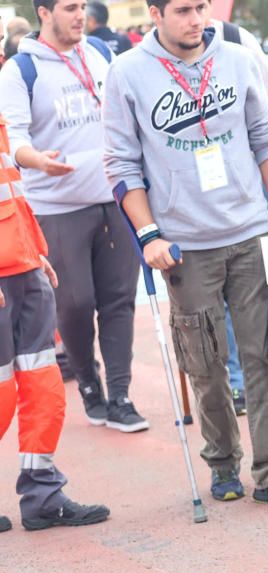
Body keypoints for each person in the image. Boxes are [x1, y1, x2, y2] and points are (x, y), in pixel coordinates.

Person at [103, 0, 268, 507]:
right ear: (154, 13)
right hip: (184, 246)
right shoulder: (127, 74)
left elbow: (267, 138)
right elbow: (120, 163)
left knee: (264, 355)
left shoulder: (236, 55)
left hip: (249, 231)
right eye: (182, 10)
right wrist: (149, 234)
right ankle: (222, 461)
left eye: (201, 6)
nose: (196, 19)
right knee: (204, 363)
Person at [0, 0, 148, 433]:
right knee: (77, 303)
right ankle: (89, 384)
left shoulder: (102, 53)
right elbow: (15, 141)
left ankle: (120, 395)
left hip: (114, 199)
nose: (80, 15)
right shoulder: (20, 70)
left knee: (119, 301)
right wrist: (39, 162)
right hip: (57, 205)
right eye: (69, 7)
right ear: (44, 12)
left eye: (82, 6)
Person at [0, 13, 111, 533]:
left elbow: (13, 192)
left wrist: (35, 249)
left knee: (43, 384)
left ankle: (42, 494)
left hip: (22, 267)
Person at [205, 8, 268, 412]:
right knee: (222, 291)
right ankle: (237, 379)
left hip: (256, 180)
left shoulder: (236, 38)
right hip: (203, 192)